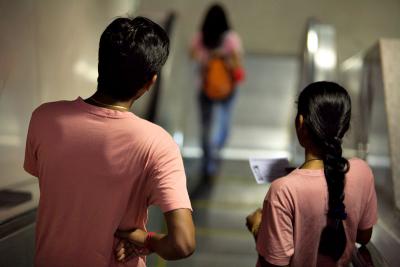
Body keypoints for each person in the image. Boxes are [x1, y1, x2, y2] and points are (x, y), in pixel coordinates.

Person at [24, 17, 195, 267]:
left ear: (100, 63)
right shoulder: (158, 144)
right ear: (150, 82)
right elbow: (183, 243)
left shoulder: (44, 118)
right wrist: (146, 239)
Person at [246, 81, 377, 266]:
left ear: (300, 123)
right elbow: (364, 236)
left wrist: (258, 226)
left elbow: (275, 262)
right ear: (344, 127)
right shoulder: (362, 172)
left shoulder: (284, 190)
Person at [190, 3, 245, 182]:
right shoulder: (230, 39)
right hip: (227, 89)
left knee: (205, 127)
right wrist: (224, 57)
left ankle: (208, 164)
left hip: (204, 87)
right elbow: (237, 65)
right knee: (223, 124)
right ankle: (216, 152)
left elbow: (192, 54)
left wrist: (207, 58)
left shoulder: (201, 37)